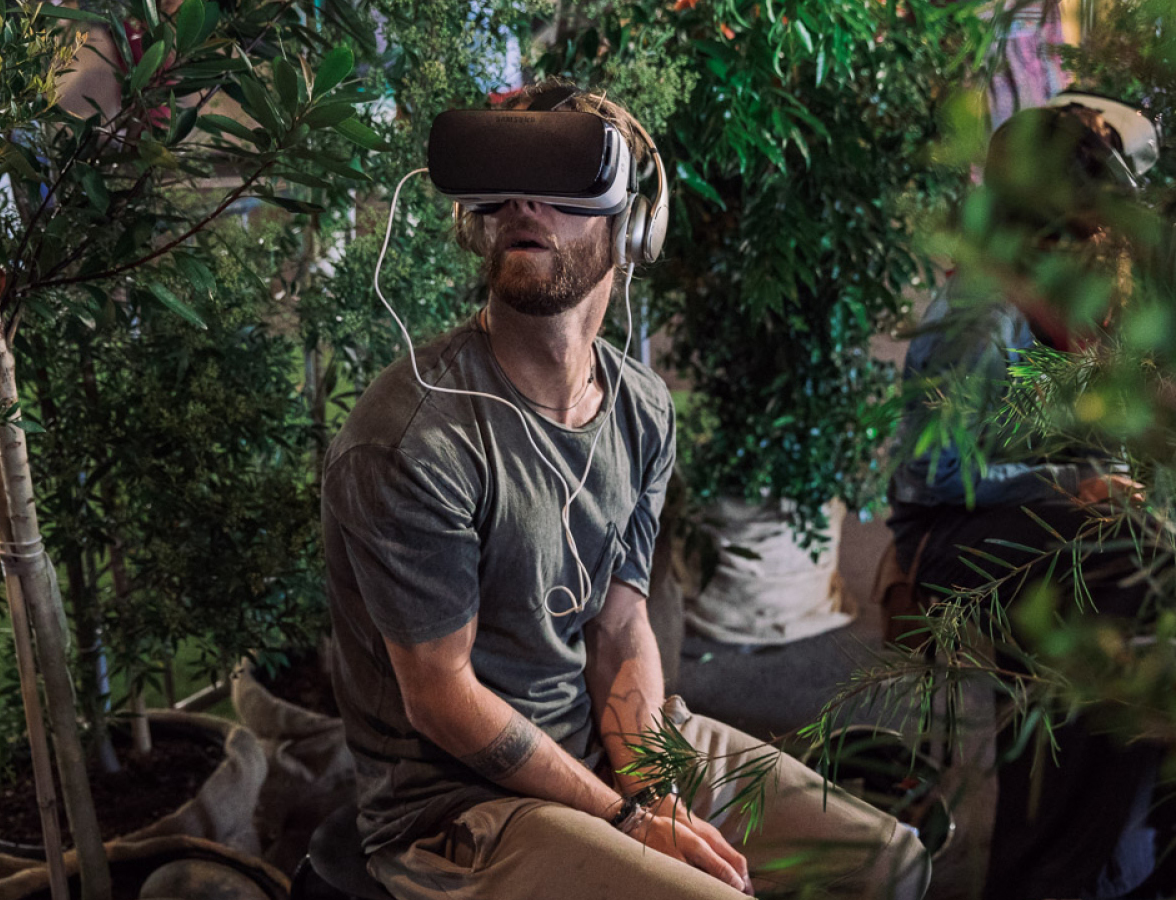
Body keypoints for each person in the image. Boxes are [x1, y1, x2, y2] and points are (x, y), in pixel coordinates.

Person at [322, 80, 930, 900]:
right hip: (457, 812)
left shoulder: (641, 406)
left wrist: (654, 787)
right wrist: (627, 822)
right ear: (475, 217)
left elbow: (620, 622)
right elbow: (441, 698)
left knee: (886, 862)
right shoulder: (415, 437)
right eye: (505, 178)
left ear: (632, 224)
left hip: (604, 751)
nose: (525, 202)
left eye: (565, 175)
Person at [886, 96, 1176, 899]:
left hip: (1043, 528)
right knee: (1134, 569)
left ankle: (1172, 843)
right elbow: (932, 477)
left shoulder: (1068, 296)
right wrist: (1073, 483)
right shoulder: (980, 313)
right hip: (953, 536)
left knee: (1156, 578)